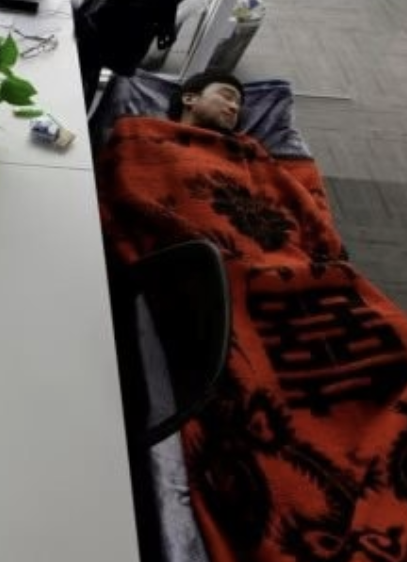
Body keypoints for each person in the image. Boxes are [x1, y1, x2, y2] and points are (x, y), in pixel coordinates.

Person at [98, 73, 407, 561]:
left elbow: (300, 207)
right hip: (223, 274)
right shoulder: (142, 135)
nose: (234, 109)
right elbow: (128, 193)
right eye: (226, 96)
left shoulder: (251, 151)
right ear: (189, 97)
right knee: (253, 390)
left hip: (295, 272)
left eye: (240, 105)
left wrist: (324, 257)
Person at [165, 70, 243, 133]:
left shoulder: (246, 145)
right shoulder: (158, 140)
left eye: (238, 104)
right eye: (227, 96)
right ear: (189, 99)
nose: (235, 107)